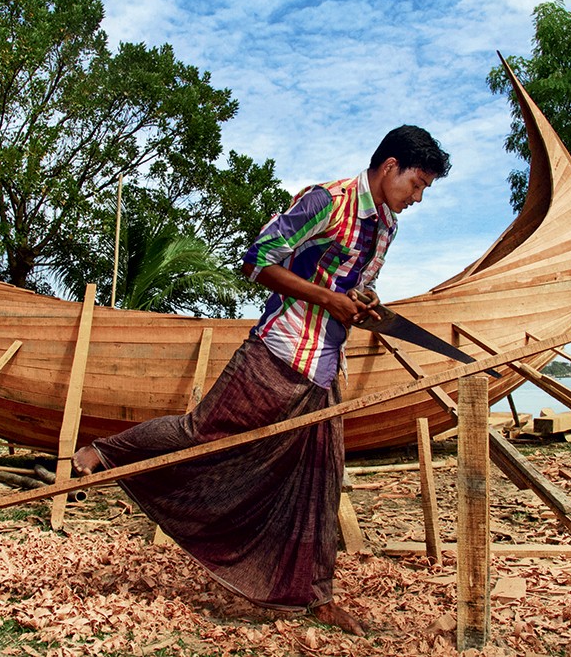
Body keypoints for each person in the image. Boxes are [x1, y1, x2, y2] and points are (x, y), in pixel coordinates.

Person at [73, 125, 450, 635]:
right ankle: (102, 453)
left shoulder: (386, 228)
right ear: (389, 167)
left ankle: (316, 598)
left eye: (426, 188)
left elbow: (355, 286)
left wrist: (363, 303)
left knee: (321, 481)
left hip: (323, 368)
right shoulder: (327, 201)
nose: (418, 197)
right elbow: (256, 261)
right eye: (418, 183)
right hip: (277, 352)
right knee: (201, 437)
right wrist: (326, 300)